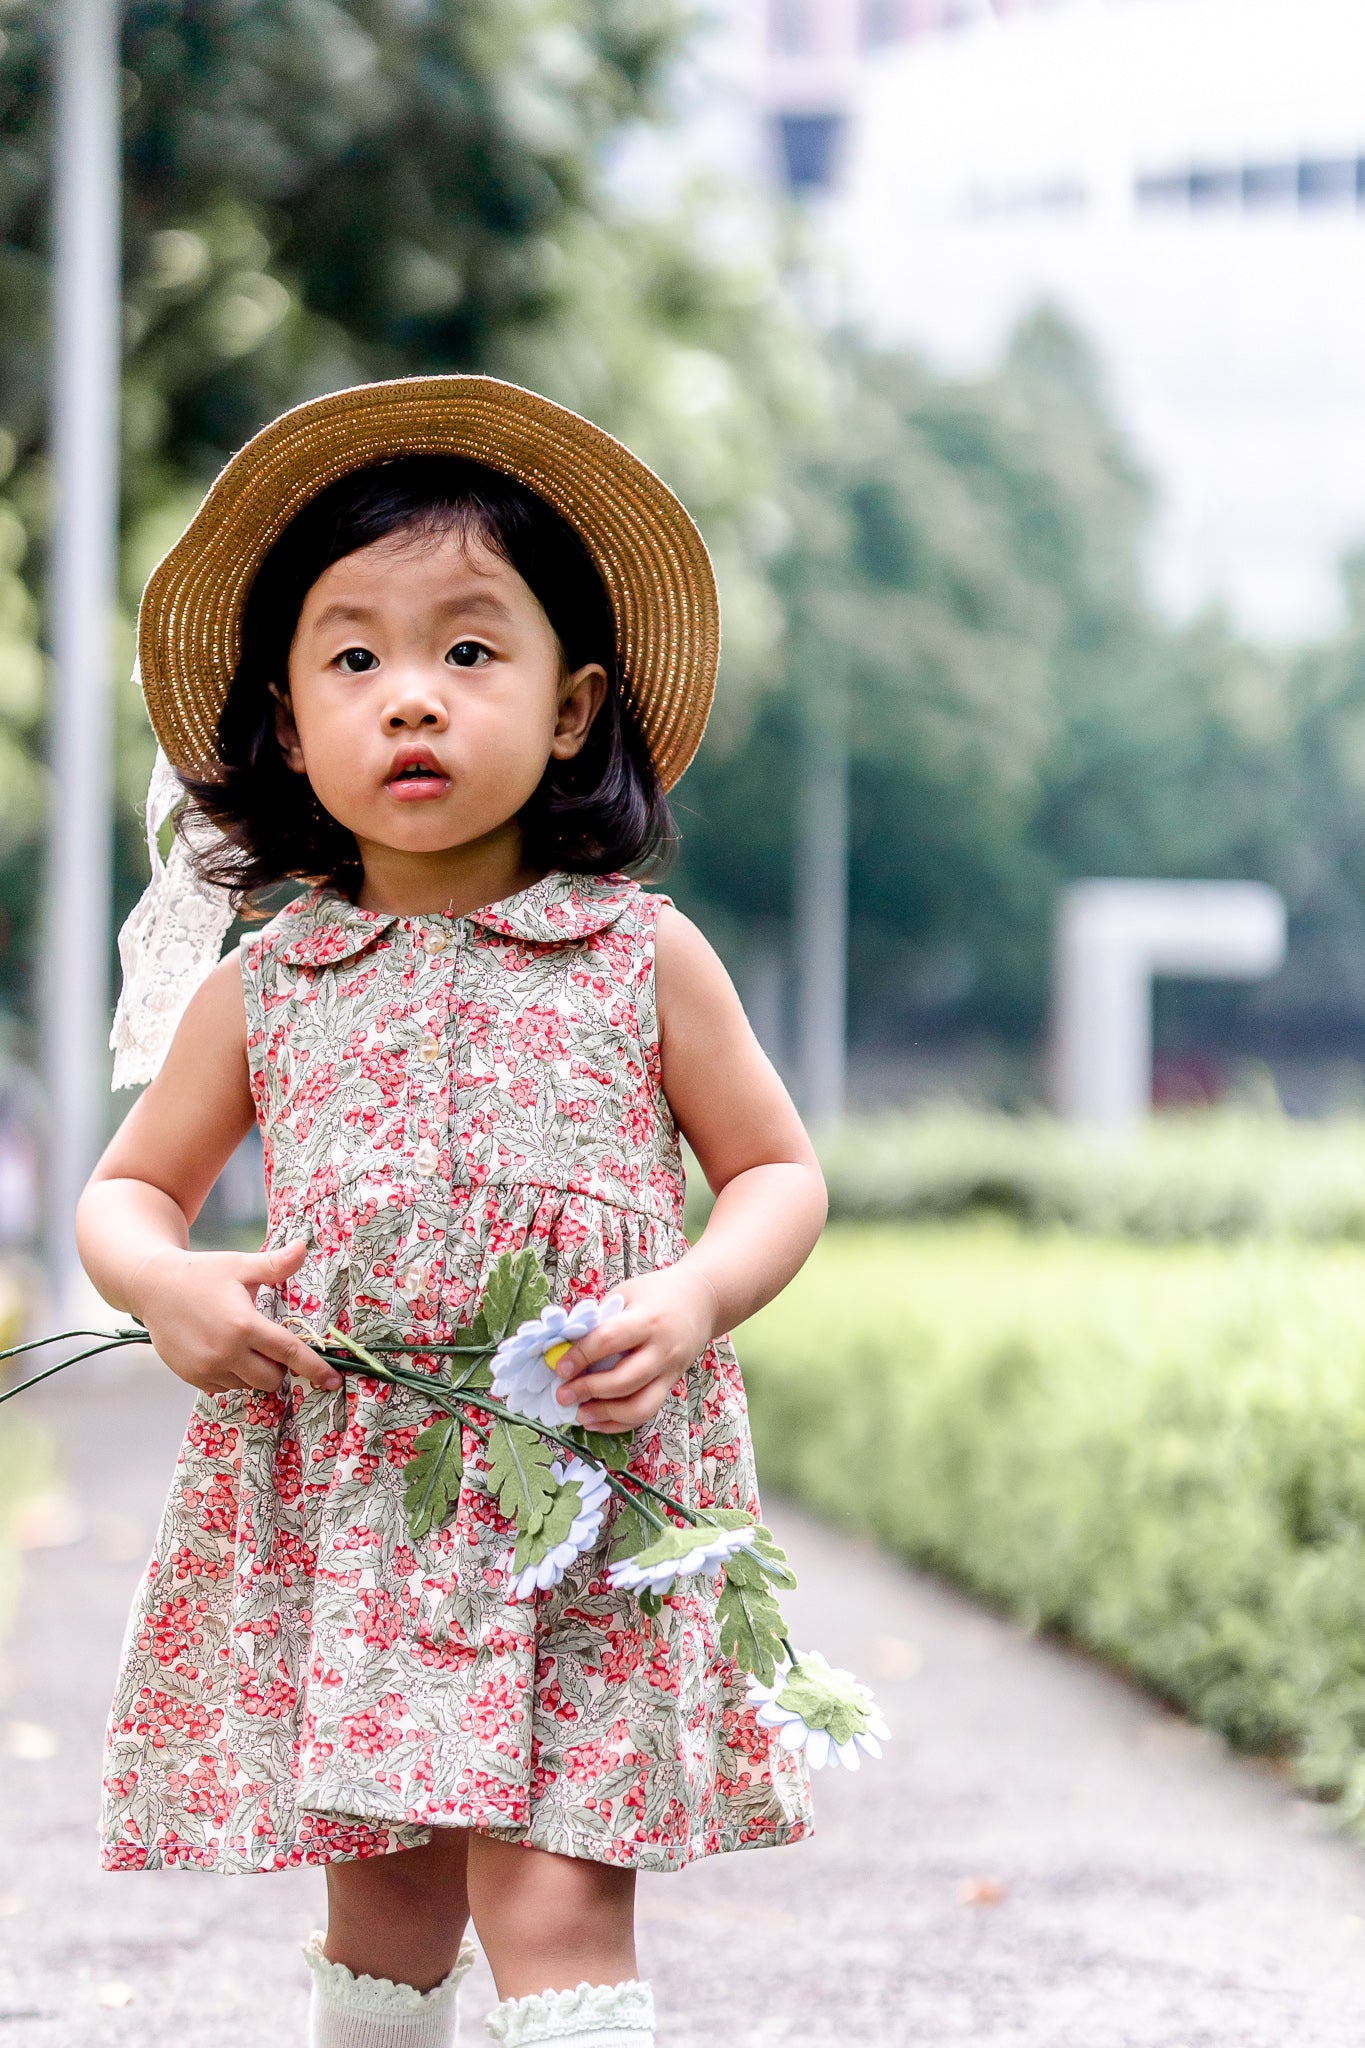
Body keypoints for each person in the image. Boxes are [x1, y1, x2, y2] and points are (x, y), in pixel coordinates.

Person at [75, 376, 828, 2048]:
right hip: (365, 1488)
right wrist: (167, 1289)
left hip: (581, 1482)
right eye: (355, 659)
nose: (409, 697)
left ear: (571, 711)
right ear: (284, 723)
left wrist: (693, 1298)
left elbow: (775, 1172)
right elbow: (130, 1190)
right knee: (391, 1893)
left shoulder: (641, 956)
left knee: (557, 1887)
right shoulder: (271, 983)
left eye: (468, 652)